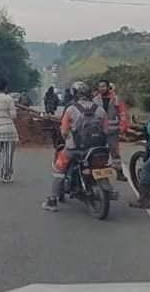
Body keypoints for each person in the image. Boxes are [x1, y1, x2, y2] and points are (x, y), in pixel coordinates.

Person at [42, 81, 107, 212]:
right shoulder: (100, 109)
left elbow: (64, 131)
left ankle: (52, 201)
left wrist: (68, 139)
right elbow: (106, 130)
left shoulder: (71, 109)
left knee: (59, 170)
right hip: (96, 149)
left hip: (75, 149)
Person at [94, 79, 129, 182]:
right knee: (99, 153)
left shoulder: (116, 99)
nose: (101, 88)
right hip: (99, 131)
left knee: (115, 153)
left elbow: (122, 113)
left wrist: (123, 127)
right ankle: (100, 175)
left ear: (108, 87)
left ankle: (119, 173)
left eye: (103, 86)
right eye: (100, 86)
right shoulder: (95, 100)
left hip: (113, 131)